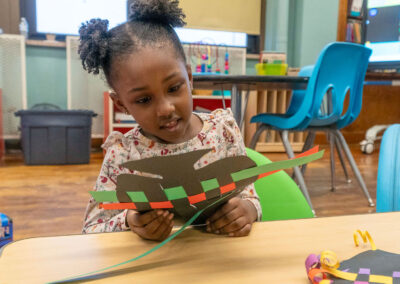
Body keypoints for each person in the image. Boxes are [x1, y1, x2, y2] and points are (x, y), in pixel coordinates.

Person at [79, 0, 261, 241]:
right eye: (144, 100)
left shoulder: (223, 132)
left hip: (218, 263)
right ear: (121, 104)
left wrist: (246, 211)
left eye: (175, 88)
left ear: (190, 78)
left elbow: (250, 197)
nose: (165, 108)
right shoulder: (123, 154)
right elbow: (91, 227)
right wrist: (130, 220)